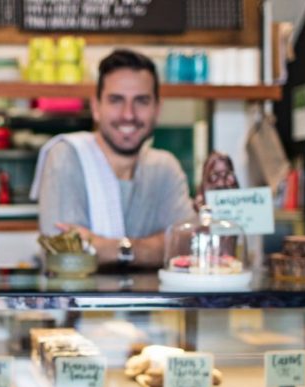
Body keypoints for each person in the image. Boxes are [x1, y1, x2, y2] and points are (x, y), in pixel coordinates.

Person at [31, 49, 195, 268]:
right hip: (79, 302)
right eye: (116, 100)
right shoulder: (66, 156)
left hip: (158, 303)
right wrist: (154, 247)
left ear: (157, 109)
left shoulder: (165, 168)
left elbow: (187, 246)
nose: (128, 114)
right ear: (96, 107)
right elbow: (65, 257)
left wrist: (108, 248)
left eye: (141, 101)